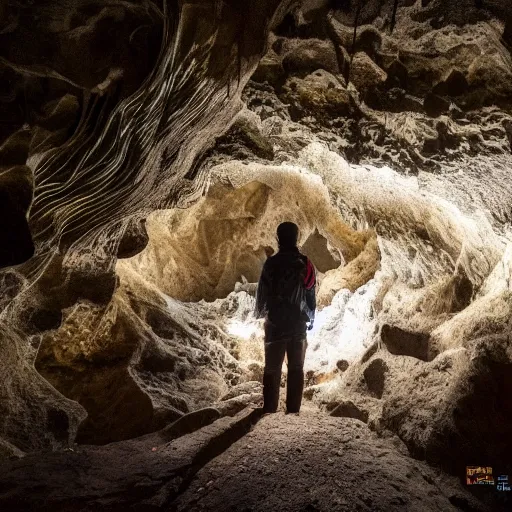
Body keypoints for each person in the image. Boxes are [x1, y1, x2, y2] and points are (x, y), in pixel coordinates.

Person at [255, 222, 316, 414]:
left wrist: (261, 314)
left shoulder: (271, 263)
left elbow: (262, 293)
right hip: (297, 323)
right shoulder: (305, 263)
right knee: (296, 368)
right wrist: (311, 317)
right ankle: (293, 410)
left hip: (275, 324)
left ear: (278, 238)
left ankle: (270, 409)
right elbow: (311, 293)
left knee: (272, 369)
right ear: (297, 238)